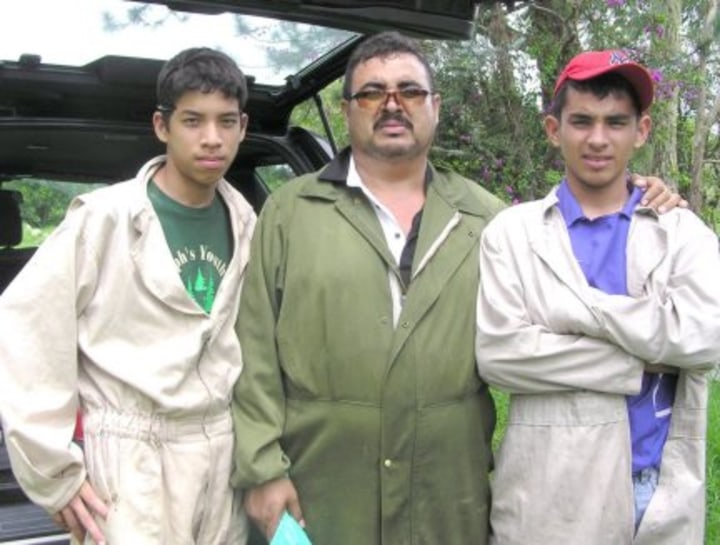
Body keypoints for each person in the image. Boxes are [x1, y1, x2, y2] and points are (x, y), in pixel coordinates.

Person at [230, 33, 680, 545]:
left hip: (447, 497)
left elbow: (561, 302)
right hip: (322, 490)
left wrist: (642, 195)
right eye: (373, 92)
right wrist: (263, 469)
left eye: (410, 91)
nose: (393, 104)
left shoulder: (489, 219)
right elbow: (253, 352)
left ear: (436, 107)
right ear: (348, 109)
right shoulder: (291, 212)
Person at [0, 47, 255, 544]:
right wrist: (54, 472)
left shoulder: (251, 224)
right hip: (130, 460)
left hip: (224, 457)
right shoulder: (103, 218)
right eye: (192, 120)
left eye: (226, 122)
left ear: (243, 126)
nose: (211, 138)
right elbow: (25, 331)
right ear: (161, 125)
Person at [475, 49, 720, 545]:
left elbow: (703, 339)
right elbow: (501, 356)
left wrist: (576, 313)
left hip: (653, 489)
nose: (598, 139)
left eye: (616, 122)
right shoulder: (512, 234)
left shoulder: (681, 232)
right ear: (553, 129)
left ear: (642, 130)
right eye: (581, 121)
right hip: (547, 490)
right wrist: (643, 362)